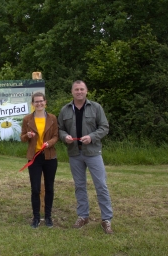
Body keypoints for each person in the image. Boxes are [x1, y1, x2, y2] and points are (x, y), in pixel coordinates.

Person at [58, 80, 114, 234]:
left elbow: (104, 127)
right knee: (79, 186)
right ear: (72, 92)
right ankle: (83, 216)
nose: (79, 92)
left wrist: (92, 137)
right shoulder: (65, 110)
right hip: (74, 154)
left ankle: (106, 219)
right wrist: (65, 137)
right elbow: (60, 129)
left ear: (86, 91)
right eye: (76, 89)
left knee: (101, 185)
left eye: (82, 89)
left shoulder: (96, 107)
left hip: (93, 153)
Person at [20, 92, 59, 229]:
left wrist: (50, 143)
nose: (39, 104)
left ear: (45, 102)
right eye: (36, 102)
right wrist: (28, 135)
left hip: (49, 156)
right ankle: (36, 218)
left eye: (41, 101)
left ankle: (48, 217)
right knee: (35, 188)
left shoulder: (53, 118)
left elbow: (56, 136)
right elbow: (22, 137)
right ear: (33, 104)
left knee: (49, 188)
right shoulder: (27, 119)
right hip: (34, 157)